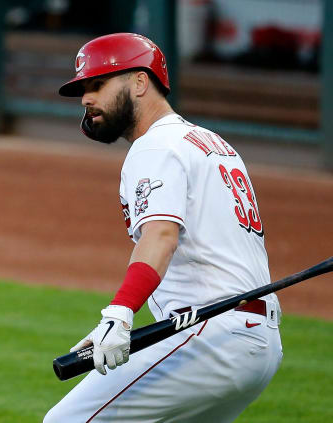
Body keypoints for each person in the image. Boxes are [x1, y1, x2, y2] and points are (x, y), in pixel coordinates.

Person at [44, 33, 283, 422]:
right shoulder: (211, 143)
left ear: (140, 82)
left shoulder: (155, 147)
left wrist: (119, 315)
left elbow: (161, 235)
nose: (86, 99)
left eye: (98, 84)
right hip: (257, 342)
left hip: (211, 337)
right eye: (84, 89)